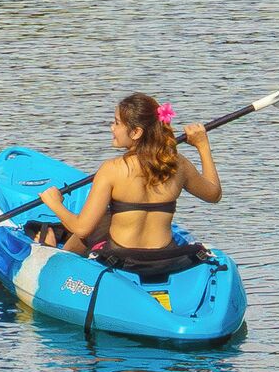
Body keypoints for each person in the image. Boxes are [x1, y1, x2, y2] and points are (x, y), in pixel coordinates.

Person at [40, 91, 220, 276]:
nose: (112, 128)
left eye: (117, 123)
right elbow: (213, 194)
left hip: (122, 261)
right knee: (105, 219)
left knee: (92, 228)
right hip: (166, 260)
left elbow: (82, 228)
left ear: (136, 132)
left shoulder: (112, 169)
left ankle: (57, 260)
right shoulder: (178, 164)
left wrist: (55, 203)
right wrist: (202, 146)